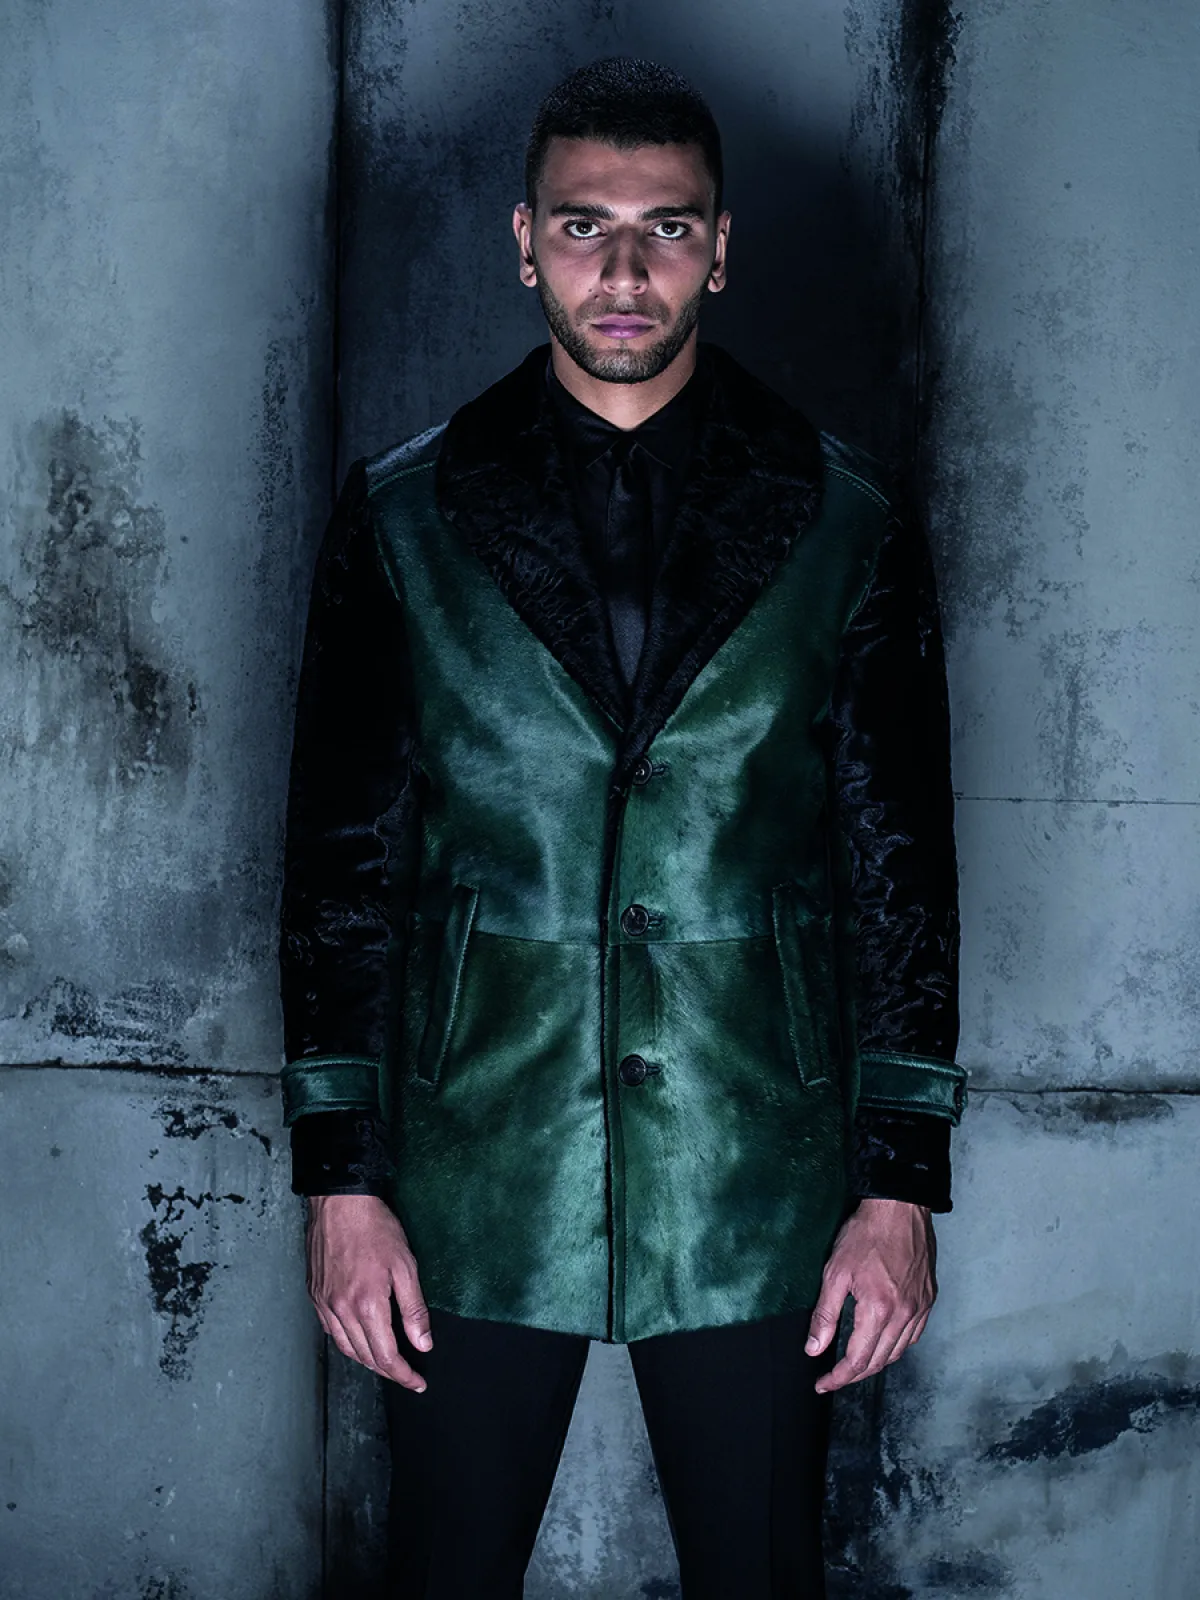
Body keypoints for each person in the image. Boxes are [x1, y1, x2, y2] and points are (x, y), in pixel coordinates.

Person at [278, 56, 966, 1600]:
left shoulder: (847, 519)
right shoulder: (404, 517)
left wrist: (897, 1185)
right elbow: (340, 867)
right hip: (472, 1157)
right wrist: (342, 1182)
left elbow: (900, 871)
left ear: (722, 249)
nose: (626, 269)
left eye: (668, 228)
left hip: (756, 1159)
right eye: (586, 226)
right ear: (525, 242)